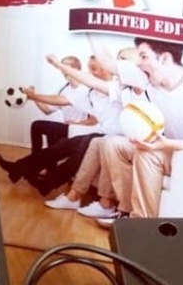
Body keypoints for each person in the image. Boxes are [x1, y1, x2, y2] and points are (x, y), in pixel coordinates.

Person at [53, 37, 183, 224]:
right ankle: (125, 210)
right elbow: (104, 67)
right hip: (167, 150)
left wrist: (166, 144)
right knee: (112, 144)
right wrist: (87, 28)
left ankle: (140, 223)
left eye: (143, 57)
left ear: (164, 58)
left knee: (146, 153)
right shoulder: (147, 83)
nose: (140, 64)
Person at [0, 55, 128, 197]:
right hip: (101, 133)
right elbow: (61, 100)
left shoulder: (117, 88)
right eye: (89, 69)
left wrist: (57, 65)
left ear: (107, 67)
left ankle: (41, 180)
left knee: (78, 146)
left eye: (94, 69)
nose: (90, 73)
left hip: (110, 136)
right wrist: (34, 97)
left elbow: (93, 116)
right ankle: (19, 169)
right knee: (61, 146)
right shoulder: (90, 93)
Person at [41, 47, 146, 219]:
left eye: (125, 59)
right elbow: (90, 82)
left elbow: (91, 82)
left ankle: (106, 203)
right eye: (119, 59)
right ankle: (74, 196)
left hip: (135, 141)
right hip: (120, 137)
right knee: (98, 142)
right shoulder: (121, 88)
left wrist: (59, 65)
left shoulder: (140, 84)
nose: (119, 63)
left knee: (106, 142)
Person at [21, 54, 97, 152]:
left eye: (64, 66)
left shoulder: (86, 89)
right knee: (37, 126)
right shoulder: (63, 89)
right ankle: (36, 158)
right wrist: (33, 97)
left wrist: (77, 123)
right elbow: (47, 110)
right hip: (68, 128)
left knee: (52, 129)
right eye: (61, 67)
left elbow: (94, 120)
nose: (61, 70)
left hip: (82, 131)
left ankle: (45, 160)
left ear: (75, 69)